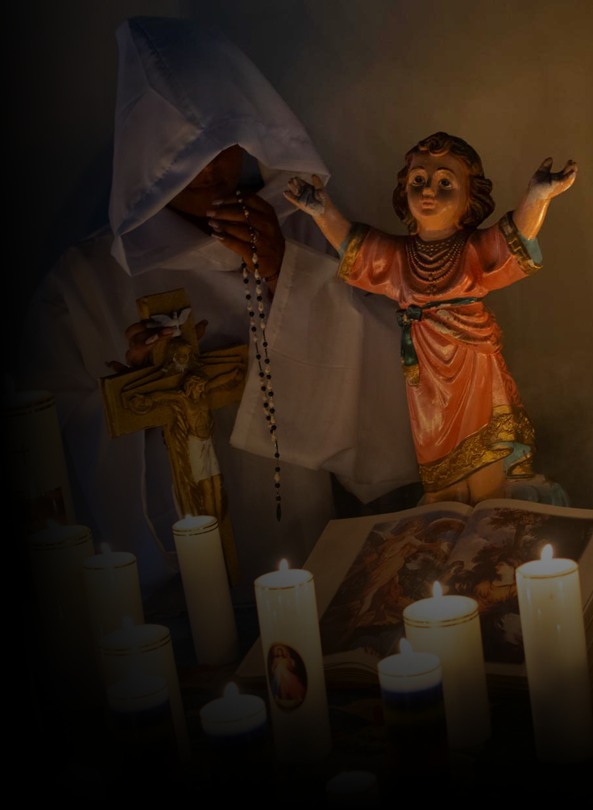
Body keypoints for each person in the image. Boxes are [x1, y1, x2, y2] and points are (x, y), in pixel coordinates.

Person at [20, 18, 419, 601]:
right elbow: (48, 450)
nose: (211, 168)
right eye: (184, 154)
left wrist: (286, 275)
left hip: (300, 547)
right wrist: (134, 391)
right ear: (147, 157)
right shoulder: (85, 283)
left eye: (224, 144)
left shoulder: (303, 231)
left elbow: (389, 376)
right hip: (168, 589)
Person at [285, 132, 577, 505]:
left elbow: (513, 239)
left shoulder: (472, 250)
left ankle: (490, 515)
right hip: (425, 376)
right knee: (435, 450)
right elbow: (358, 249)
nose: (428, 192)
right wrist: (322, 212)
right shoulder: (400, 257)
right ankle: (447, 516)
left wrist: (537, 197)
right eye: (418, 180)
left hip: (473, 366)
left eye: (445, 184)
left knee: (486, 454)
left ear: (470, 197)